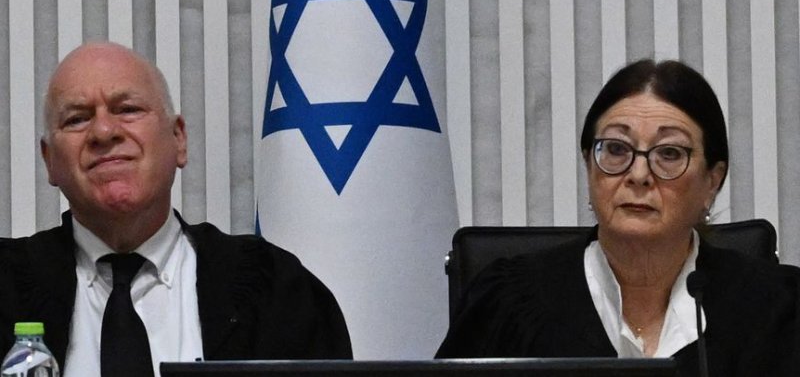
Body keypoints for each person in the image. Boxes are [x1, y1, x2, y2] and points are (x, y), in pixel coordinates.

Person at [0, 42, 352, 376]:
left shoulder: (277, 290)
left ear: (179, 139)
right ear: (50, 162)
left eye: (128, 110)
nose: (104, 131)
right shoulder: (6, 288)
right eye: (77, 119)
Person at [436, 59, 800, 375]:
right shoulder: (509, 305)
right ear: (588, 165)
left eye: (669, 154)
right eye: (615, 149)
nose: (638, 174)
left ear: (712, 182)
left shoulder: (779, 313)